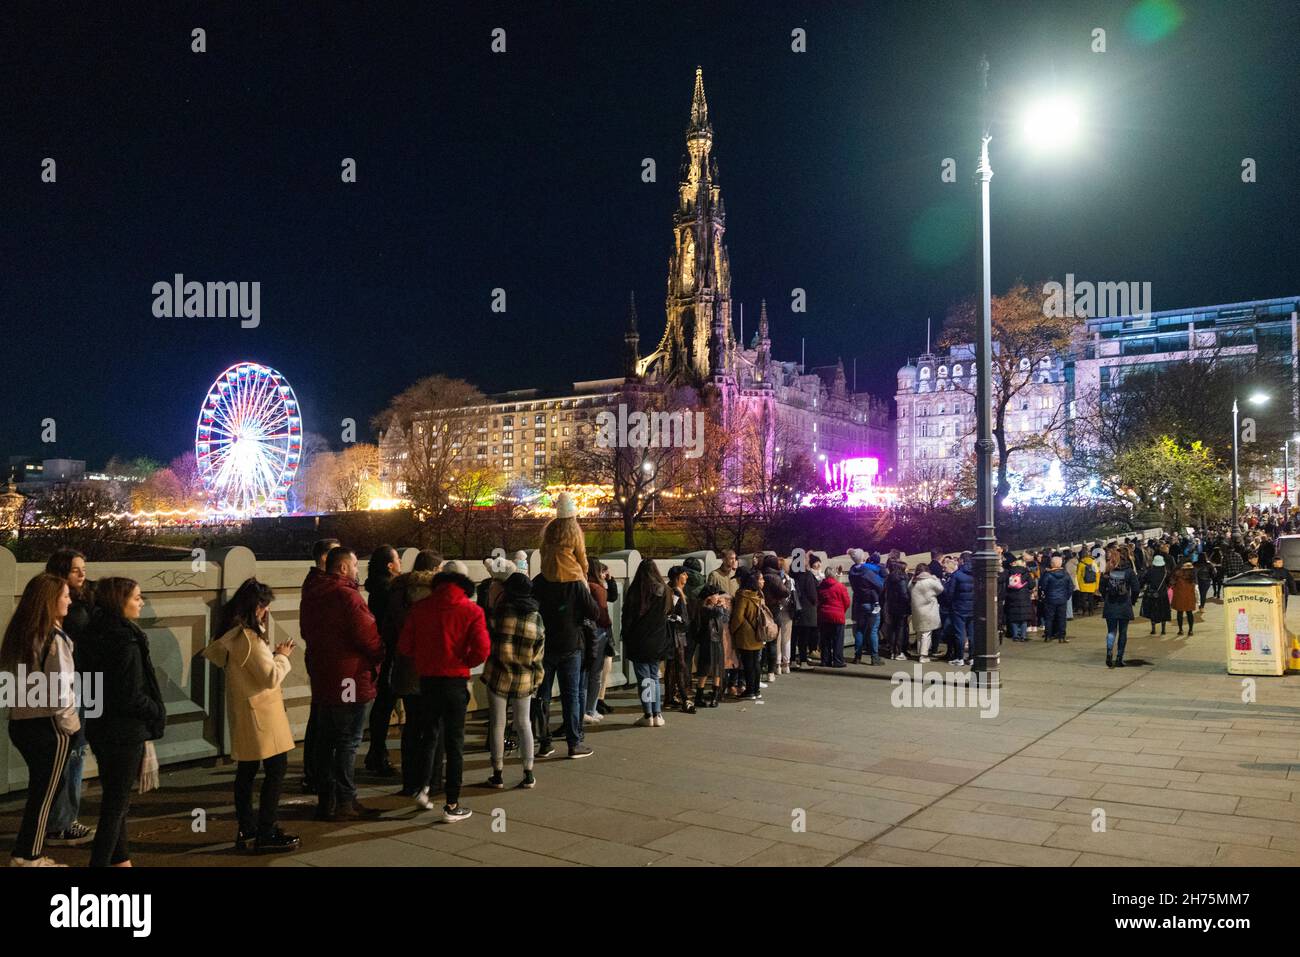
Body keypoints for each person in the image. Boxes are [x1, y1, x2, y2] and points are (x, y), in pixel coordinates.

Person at [202, 578, 299, 853]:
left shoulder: (232, 636)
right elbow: (270, 677)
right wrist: (282, 655)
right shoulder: (250, 639)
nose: (266, 611)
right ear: (257, 607)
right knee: (276, 771)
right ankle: (266, 831)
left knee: (246, 772)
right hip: (263, 716)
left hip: (246, 713)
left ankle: (247, 828)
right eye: (265, 606)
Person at [78, 577, 166, 867]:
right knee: (116, 806)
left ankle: (121, 860)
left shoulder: (92, 633)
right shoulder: (126, 640)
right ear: (120, 601)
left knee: (114, 799)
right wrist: (155, 709)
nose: (141, 602)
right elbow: (130, 695)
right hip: (125, 731)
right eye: (137, 597)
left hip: (100, 728)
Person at [398, 564, 491, 822]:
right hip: (455, 682)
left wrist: (425, 659)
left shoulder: (420, 609)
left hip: (427, 681)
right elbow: (482, 649)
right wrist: (464, 661)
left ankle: (422, 788)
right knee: (454, 742)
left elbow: (405, 646)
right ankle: (452, 803)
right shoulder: (472, 611)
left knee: (428, 736)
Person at [299, 546, 384, 822]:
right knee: (348, 740)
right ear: (344, 568)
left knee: (325, 741)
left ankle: (327, 800)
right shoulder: (347, 596)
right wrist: (381, 654)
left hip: (323, 675)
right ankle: (345, 801)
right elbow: (367, 636)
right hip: (349, 677)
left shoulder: (312, 592)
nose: (359, 570)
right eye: (356, 565)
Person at [2, 573, 79, 866]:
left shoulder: (21, 634)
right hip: (49, 725)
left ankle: (25, 853)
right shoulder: (54, 639)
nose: (69, 601)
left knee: (41, 792)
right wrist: (71, 726)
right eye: (65, 596)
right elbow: (61, 690)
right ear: (51, 601)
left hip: (21, 722)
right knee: (45, 795)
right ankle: (28, 856)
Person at [531, 492, 598, 758]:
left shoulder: (539, 581)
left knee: (542, 694)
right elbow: (593, 612)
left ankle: (544, 742)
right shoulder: (575, 583)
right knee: (571, 694)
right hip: (571, 643)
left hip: (544, 645)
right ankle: (574, 742)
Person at [42, 549, 95, 848]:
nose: (82, 574)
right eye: (76, 570)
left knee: (72, 754)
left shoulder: (75, 602)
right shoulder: (67, 611)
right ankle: (62, 823)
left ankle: (60, 819)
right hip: (76, 685)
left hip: (81, 683)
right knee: (72, 754)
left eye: (83, 568)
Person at [385, 549, 443, 798]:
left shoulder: (398, 592)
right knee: (434, 728)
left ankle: (410, 781)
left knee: (412, 726)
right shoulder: (436, 594)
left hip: (406, 666)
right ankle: (432, 780)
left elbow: (389, 629)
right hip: (431, 669)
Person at [482, 572, 544, 790]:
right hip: (525, 676)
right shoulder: (536, 617)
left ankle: (497, 773)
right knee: (523, 723)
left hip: (499, 674)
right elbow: (538, 655)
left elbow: (489, 639)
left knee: (497, 724)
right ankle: (528, 773)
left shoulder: (500, 614)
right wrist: (537, 679)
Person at [299, 537, 338, 795]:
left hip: (321, 656)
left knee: (321, 713)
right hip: (329, 659)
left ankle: (315, 772)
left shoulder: (315, 583)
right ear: (325, 558)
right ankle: (318, 774)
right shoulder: (325, 586)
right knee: (325, 716)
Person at [364, 545, 402, 777]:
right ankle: (378, 754)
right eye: (398, 559)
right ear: (390, 566)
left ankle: (376, 753)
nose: (400, 563)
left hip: (382, 652)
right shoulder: (389, 591)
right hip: (389, 653)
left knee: (383, 706)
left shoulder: (376, 589)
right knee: (384, 705)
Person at [622, 560, 673, 724]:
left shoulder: (636, 590)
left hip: (639, 639)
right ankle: (657, 714)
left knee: (644, 678)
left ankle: (648, 714)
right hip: (658, 639)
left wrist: (626, 635)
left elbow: (628, 617)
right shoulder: (665, 590)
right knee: (654, 677)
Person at [583, 558, 617, 723]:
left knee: (584, 673)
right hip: (599, 632)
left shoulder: (583, 586)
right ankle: (590, 708)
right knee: (596, 673)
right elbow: (605, 610)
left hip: (584, 632)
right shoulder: (598, 589)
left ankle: (584, 708)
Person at [729, 569, 766, 701]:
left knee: (747, 663)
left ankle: (749, 690)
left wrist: (732, 630)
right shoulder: (758, 594)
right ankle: (756, 689)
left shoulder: (742, 595)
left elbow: (738, 616)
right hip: (758, 632)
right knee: (755, 662)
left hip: (746, 633)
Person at [663, 566, 696, 713]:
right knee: (679, 666)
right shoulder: (675, 592)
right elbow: (668, 612)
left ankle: (669, 698)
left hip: (675, 635)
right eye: (684, 574)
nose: (686, 577)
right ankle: (684, 698)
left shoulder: (673, 590)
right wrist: (680, 619)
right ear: (677, 577)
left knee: (671, 666)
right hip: (676, 635)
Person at [694, 584, 730, 707]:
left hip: (717, 640)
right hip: (707, 640)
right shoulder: (704, 607)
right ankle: (699, 695)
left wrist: (724, 608)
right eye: (716, 595)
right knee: (705, 667)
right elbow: (716, 614)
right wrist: (721, 607)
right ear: (709, 597)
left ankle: (715, 695)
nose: (718, 597)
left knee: (718, 668)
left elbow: (725, 619)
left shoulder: (715, 607)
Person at [1103, 554, 1141, 668]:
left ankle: (1109, 651)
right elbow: (1136, 588)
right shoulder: (1129, 572)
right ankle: (1119, 658)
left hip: (1110, 604)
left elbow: (1101, 588)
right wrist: (1133, 600)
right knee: (1123, 632)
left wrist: (1106, 597)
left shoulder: (1107, 572)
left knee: (1111, 631)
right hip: (1124, 604)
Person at [847, 548, 882, 665]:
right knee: (873, 630)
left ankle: (857, 656)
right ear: (862, 557)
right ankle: (874, 657)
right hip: (871, 603)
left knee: (860, 630)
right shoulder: (867, 572)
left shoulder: (852, 571)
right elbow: (879, 584)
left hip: (859, 603)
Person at [759, 555, 790, 682]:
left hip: (761, 609)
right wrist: (787, 583)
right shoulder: (776, 578)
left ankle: (760, 668)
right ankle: (770, 672)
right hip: (774, 611)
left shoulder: (760, 575)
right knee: (772, 641)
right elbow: (785, 592)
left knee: (760, 641)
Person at [816, 564, 851, 666]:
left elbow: (818, 601)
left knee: (825, 640)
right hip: (838, 616)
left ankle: (825, 660)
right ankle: (838, 661)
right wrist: (841, 610)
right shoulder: (840, 587)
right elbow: (847, 602)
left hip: (824, 616)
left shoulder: (820, 586)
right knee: (837, 640)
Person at [944, 553, 976, 663]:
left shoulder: (957, 575)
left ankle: (959, 657)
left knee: (960, 633)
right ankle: (972, 657)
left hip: (959, 608)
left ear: (961, 560)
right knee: (972, 633)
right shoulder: (976, 573)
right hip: (973, 607)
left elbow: (950, 593)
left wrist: (950, 603)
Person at [909, 563, 944, 663]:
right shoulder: (930, 581)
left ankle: (920, 651)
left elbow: (909, 589)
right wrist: (936, 579)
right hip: (928, 610)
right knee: (927, 633)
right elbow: (940, 589)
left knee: (920, 632)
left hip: (917, 610)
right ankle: (923, 655)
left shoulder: (913, 581)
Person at [792, 551, 821, 668]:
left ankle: (792, 660)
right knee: (804, 638)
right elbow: (812, 594)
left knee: (794, 637)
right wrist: (815, 602)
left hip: (794, 609)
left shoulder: (792, 574)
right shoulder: (807, 575)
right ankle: (803, 661)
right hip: (807, 609)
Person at [881, 561, 911, 661]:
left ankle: (892, 652)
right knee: (901, 629)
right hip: (901, 607)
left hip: (891, 606)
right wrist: (909, 601)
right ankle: (899, 651)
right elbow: (904, 594)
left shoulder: (889, 578)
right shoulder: (902, 579)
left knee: (892, 629)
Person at [1040, 556, 1074, 643]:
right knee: (1062, 618)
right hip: (1062, 599)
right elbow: (1071, 587)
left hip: (1050, 599)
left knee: (1049, 618)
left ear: (1052, 564)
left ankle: (1048, 636)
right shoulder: (1065, 574)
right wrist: (1067, 596)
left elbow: (1043, 586)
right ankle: (1062, 637)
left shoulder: (1048, 574)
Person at [1003, 556, 1033, 642]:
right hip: (1024, 598)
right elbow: (1031, 585)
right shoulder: (1026, 573)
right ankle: (1023, 636)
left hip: (1012, 597)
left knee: (1014, 617)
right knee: (1023, 618)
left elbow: (1006, 585)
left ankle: (1015, 635)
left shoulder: (1009, 572)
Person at [1141, 554, 1172, 635]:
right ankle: (1163, 630)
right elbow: (1169, 583)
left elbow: (1144, 580)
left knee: (1153, 611)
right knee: (1163, 611)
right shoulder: (1166, 572)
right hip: (1163, 594)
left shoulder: (1150, 571)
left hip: (1152, 594)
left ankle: (1153, 629)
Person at [1171, 562, 1198, 636]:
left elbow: (1172, 583)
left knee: (1180, 613)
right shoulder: (1192, 575)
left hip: (1180, 596)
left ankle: (1180, 630)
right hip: (1189, 596)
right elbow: (1195, 585)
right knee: (1189, 613)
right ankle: (1190, 630)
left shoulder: (1177, 574)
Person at [1075, 551, 1100, 616]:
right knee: (1091, 598)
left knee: (1083, 598)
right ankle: (1091, 611)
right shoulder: (1094, 562)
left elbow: (1078, 575)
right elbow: (1097, 574)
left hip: (1083, 584)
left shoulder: (1081, 563)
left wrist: (1077, 584)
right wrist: (1097, 585)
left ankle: (1084, 611)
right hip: (1092, 584)